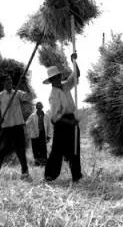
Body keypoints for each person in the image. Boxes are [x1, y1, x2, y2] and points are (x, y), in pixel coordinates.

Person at [44, 53, 82, 183]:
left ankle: (76, 176)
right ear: (51, 81)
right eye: (54, 78)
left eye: (58, 76)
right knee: (57, 152)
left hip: (72, 121)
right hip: (62, 125)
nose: (57, 79)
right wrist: (70, 122)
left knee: (74, 150)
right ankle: (49, 176)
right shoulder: (53, 95)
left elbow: (76, 74)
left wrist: (73, 61)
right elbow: (55, 118)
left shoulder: (66, 86)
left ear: (60, 76)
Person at [0, 76, 32, 178]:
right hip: (6, 127)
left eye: (11, 82)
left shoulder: (18, 93)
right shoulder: (0, 96)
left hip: (18, 126)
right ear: (4, 84)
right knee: (2, 149)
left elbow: (29, 97)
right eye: (8, 82)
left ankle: (25, 172)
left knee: (20, 149)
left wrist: (26, 85)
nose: (10, 84)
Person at [26, 101, 52, 166]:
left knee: (43, 149)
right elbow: (27, 124)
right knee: (35, 149)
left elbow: (49, 126)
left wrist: (49, 136)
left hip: (43, 134)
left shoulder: (46, 116)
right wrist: (30, 130)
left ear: (42, 107)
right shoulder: (32, 116)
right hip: (34, 135)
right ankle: (37, 163)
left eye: (40, 107)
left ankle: (44, 163)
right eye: (38, 107)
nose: (39, 108)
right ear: (36, 107)